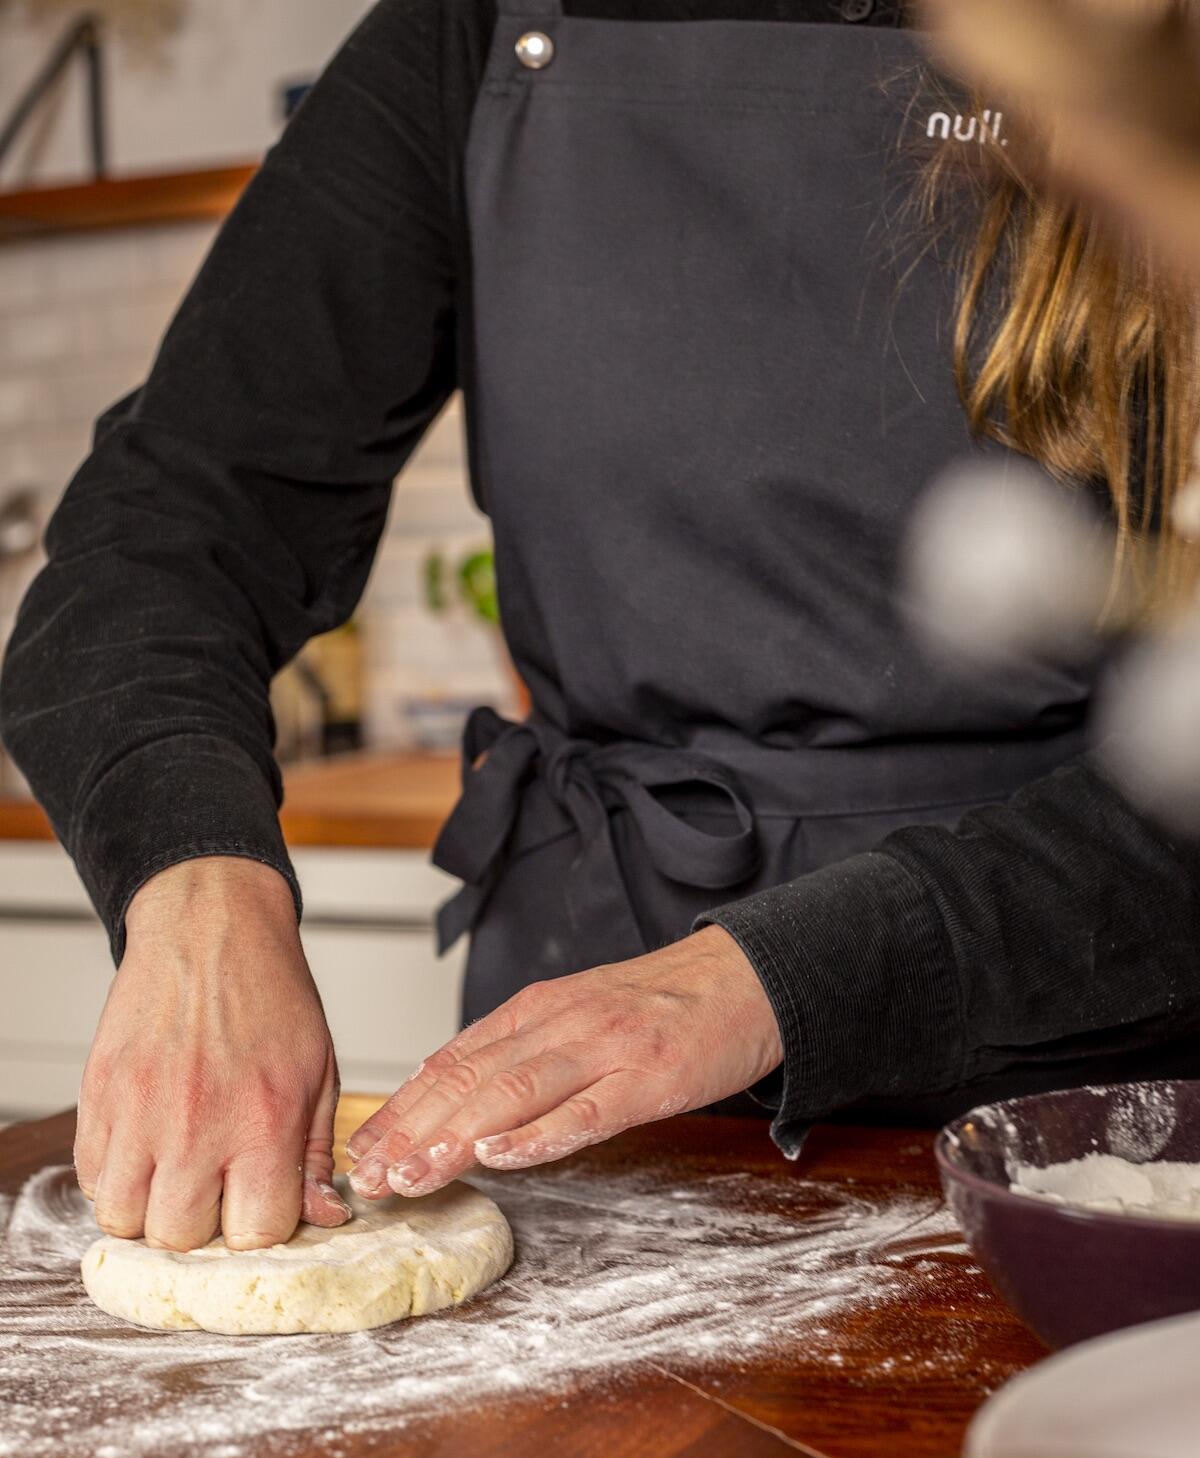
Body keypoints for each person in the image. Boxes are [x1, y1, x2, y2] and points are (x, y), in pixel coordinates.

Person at [3, 0, 1199, 1251]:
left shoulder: (1135, 44)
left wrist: (781, 977)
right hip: (583, 1114)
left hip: (1068, 1093)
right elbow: (169, 522)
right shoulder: (479, 27)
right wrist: (196, 892)